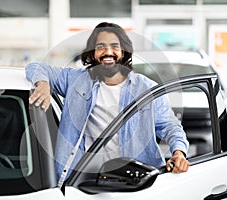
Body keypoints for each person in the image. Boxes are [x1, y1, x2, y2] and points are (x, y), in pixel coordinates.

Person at [26, 22, 189, 187]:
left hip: (135, 182)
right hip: (82, 181)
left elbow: (169, 126)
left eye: (114, 46)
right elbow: (35, 66)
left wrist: (179, 152)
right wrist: (43, 84)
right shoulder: (75, 80)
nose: (108, 52)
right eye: (101, 46)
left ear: (123, 51)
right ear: (93, 52)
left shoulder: (147, 88)